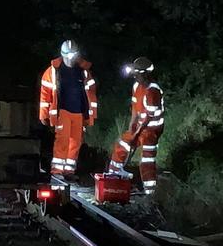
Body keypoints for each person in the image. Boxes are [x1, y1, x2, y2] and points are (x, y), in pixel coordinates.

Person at [38, 39, 98, 180]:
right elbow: (45, 94)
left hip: (78, 112)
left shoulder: (83, 71)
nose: (71, 60)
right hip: (63, 111)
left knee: (76, 141)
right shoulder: (53, 71)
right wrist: (44, 115)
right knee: (62, 140)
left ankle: (69, 170)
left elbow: (91, 93)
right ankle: (57, 170)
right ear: (63, 55)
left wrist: (91, 115)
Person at [108, 57, 164, 195]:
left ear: (144, 74)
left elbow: (148, 117)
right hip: (140, 127)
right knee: (122, 144)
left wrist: (136, 134)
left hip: (152, 129)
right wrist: (131, 129)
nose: (134, 75)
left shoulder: (153, 90)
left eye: (137, 73)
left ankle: (150, 192)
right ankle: (113, 176)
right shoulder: (136, 86)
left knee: (147, 160)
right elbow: (135, 110)